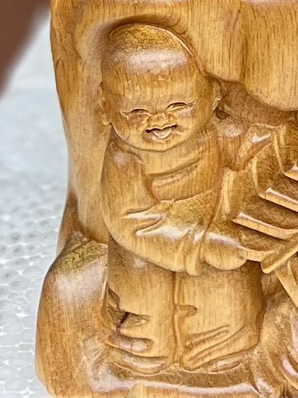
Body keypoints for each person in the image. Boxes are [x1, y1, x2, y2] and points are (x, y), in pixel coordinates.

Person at [96, 21, 263, 376]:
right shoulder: (125, 159)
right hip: (144, 249)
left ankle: (219, 355)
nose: (159, 121)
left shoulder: (215, 134)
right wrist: (199, 245)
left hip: (209, 235)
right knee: (145, 309)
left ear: (213, 96)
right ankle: (146, 363)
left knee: (224, 291)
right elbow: (131, 223)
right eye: (136, 111)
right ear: (105, 106)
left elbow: (254, 149)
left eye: (179, 104)